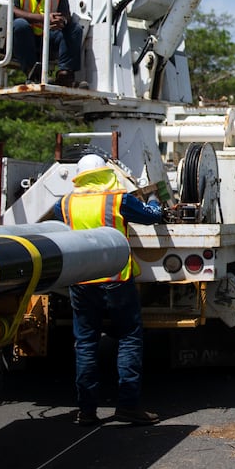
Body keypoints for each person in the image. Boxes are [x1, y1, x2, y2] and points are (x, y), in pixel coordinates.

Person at [55, 154, 164, 425]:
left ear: (79, 177)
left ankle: (87, 411)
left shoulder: (65, 203)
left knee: (86, 343)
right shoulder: (118, 199)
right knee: (128, 337)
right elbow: (151, 217)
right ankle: (128, 406)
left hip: (81, 280)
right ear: (106, 174)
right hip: (116, 278)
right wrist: (154, 199)